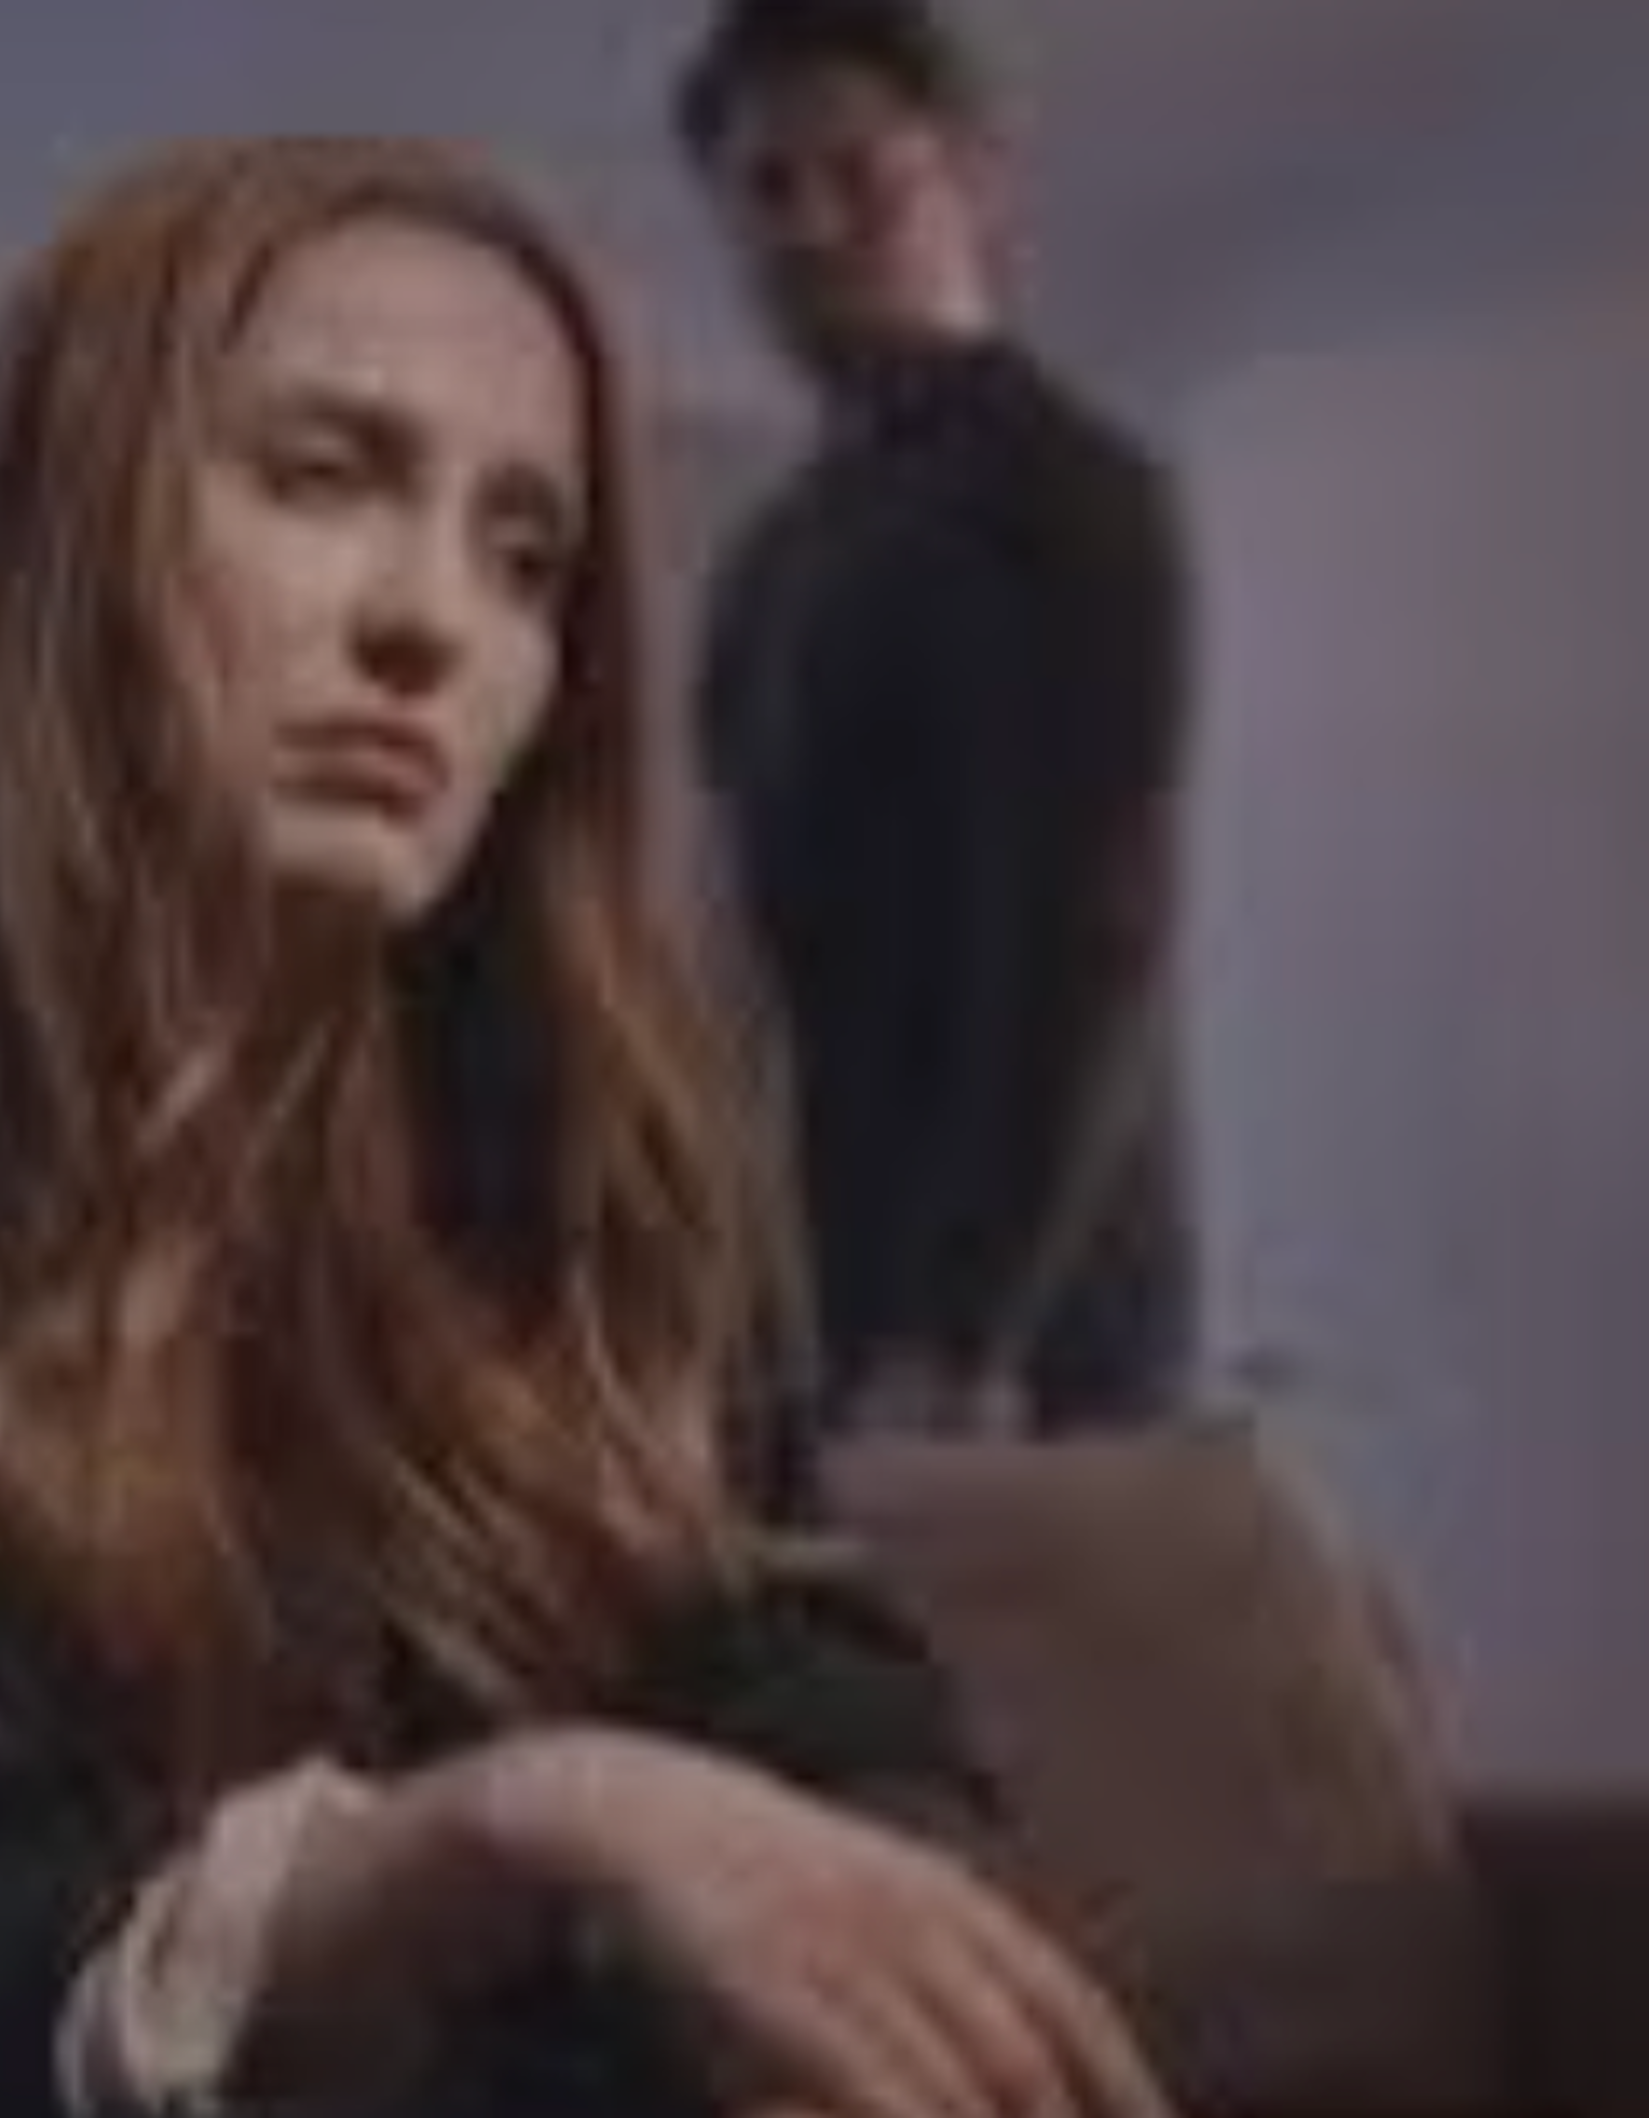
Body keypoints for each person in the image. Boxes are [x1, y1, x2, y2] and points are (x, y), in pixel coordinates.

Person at [0, 135, 1167, 2118]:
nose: (432, 622)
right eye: (325, 475)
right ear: (72, 520)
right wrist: (469, 1846)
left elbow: (809, 1668)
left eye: (526, 556)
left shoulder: (596, 1164)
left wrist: (853, 1913)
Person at [674, 0, 1199, 1440]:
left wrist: (963, 1338)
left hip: (1012, 1358)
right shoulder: (774, 558)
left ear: (969, 180)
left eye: (859, 174)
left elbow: (1091, 932)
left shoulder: (1063, 488)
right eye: (766, 189)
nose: (809, 224)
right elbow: (736, 944)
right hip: (819, 1316)